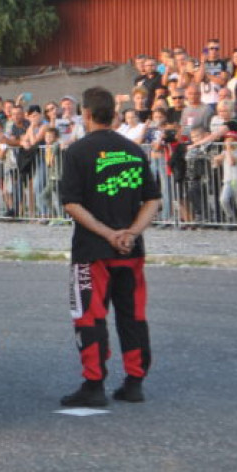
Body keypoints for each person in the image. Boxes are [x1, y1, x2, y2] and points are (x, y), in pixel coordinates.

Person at [58, 86, 161, 408]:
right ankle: (134, 382)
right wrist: (129, 233)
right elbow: (153, 200)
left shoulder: (77, 152)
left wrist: (107, 233)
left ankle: (93, 383)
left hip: (93, 251)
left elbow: (72, 204)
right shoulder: (133, 150)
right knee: (133, 316)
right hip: (130, 250)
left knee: (89, 315)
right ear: (114, 116)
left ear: (85, 114)